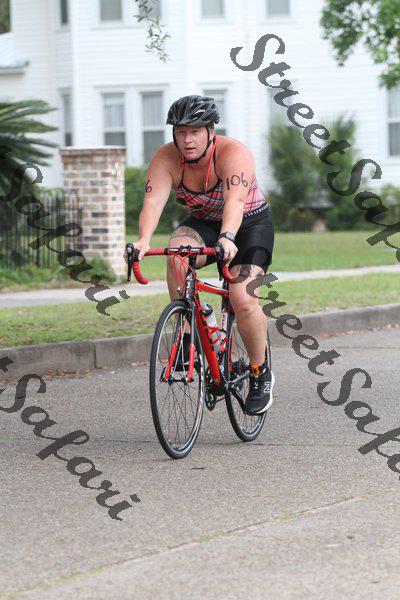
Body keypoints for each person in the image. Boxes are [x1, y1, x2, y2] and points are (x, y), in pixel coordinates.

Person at [126, 95, 275, 415]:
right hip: (205, 223)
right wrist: (143, 240)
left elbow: (235, 201)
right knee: (177, 254)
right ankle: (189, 329)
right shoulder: (167, 158)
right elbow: (153, 202)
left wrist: (228, 236)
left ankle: (259, 372)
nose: (187, 140)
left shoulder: (233, 153)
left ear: (211, 131)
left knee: (242, 297)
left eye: (194, 131)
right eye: (181, 132)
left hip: (249, 225)